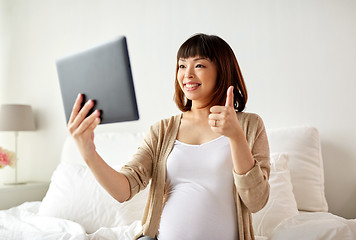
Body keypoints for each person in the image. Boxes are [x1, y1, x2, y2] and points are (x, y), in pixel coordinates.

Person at [67, 33, 270, 240]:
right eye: (182, 66)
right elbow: (123, 191)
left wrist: (236, 137)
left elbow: (256, 201)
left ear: (222, 70)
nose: (187, 74)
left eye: (199, 65)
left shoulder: (249, 126)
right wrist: (89, 153)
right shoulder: (162, 130)